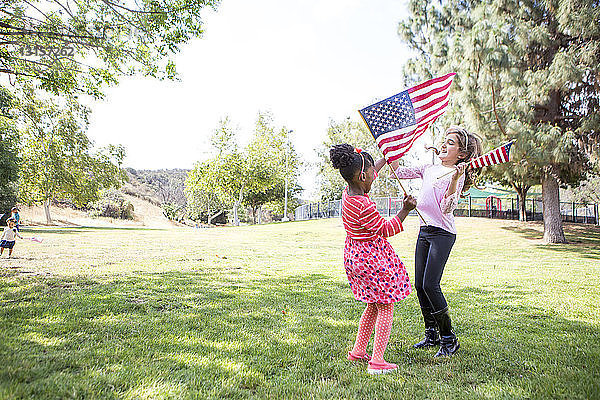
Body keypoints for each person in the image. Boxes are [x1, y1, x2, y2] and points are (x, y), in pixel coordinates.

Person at [392, 125, 482, 357]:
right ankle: (430, 334)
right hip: (424, 230)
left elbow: (447, 208)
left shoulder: (456, 175)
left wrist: (455, 178)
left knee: (431, 284)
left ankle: (449, 339)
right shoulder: (428, 168)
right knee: (420, 285)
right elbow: (398, 172)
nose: (444, 144)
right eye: (444, 140)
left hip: (442, 233)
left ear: (461, 154)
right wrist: (393, 149)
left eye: (450, 143)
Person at [330, 143, 417, 375]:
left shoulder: (348, 194)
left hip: (355, 257)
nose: (373, 177)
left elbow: (371, 172)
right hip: (372, 260)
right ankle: (377, 361)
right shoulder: (365, 205)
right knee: (386, 306)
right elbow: (386, 229)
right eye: (370, 174)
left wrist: (383, 159)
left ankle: (358, 351)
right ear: (361, 176)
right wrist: (405, 210)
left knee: (373, 304)